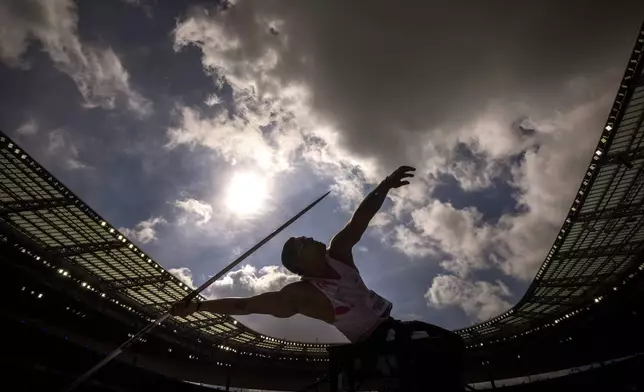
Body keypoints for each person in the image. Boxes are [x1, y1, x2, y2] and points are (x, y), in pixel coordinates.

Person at [170, 165, 417, 342]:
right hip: (374, 343)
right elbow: (245, 305)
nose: (310, 237)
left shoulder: (339, 253)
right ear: (300, 264)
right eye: (304, 242)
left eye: (305, 237)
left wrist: (384, 185)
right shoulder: (300, 295)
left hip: (395, 326)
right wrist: (199, 306)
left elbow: (360, 219)